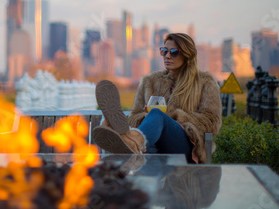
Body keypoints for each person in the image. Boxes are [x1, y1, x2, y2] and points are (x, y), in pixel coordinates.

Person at [92, 33, 222, 164]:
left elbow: (212, 122)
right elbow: (133, 117)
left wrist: (173, 116)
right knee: (151, 137)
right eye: (164, 51)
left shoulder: (205, 82)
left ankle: (131, 142)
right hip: (152, 144)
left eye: (174, 52)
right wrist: (146, 117)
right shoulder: (150, 81)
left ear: (188, 55)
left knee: (157, 114)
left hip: (186, 146)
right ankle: (129, 144)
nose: (167, 56)